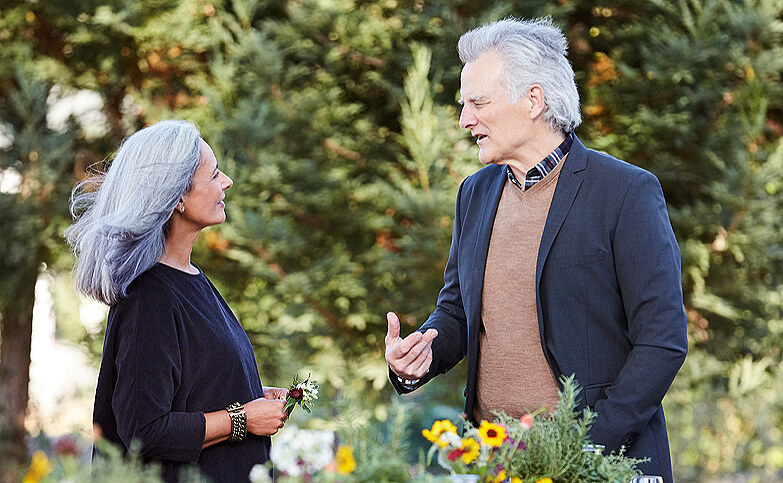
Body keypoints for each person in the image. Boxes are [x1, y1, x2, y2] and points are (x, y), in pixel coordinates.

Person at [384, 17, 688, 481]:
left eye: (478, 103)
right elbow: (458, 311)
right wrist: (420, 353)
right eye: (463, 105)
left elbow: (661, 342)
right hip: (494, 464)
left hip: (598, 465)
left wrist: (581, 448)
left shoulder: (625, 192)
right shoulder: (475, 193)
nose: (465, 120)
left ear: (533, 99)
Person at [66, 120, 287, 482]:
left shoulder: (193, 281)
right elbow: (145, 429)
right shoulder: (149, 297)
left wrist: (247, 393)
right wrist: (243, 419)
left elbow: (189, 389)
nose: (227, 181)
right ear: (178, 196)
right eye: (214, 174)